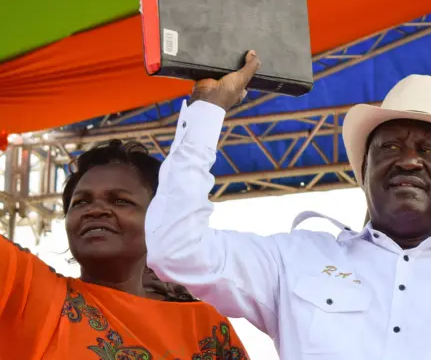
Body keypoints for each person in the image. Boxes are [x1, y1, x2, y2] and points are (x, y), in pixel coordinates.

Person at [146, 51, 431, 359]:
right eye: (391, 146)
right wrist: (207, 110)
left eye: (430, 150)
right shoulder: (297, 259)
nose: (409, 159)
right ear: (365, 169)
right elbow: (176, 249)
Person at [0, 140, 248, 359]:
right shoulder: (34, 294)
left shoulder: (205, 328)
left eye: (120, 200)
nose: (94, 210)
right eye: (81, 202)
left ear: (158, 221)